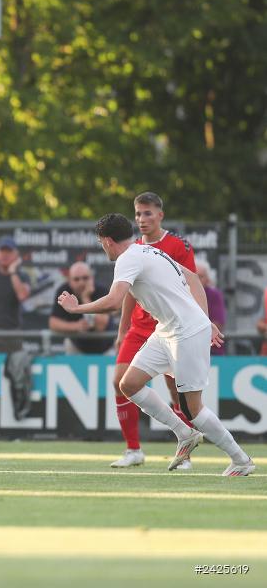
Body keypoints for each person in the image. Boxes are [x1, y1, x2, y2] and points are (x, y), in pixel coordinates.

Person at [59, 213, 254, 476]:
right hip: (167, 330)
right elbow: (193, 278)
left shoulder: (128, 257)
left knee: (193, 408)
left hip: (186, 332)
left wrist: (76, 308)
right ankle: (184, 433)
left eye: (100, 242)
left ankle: (241, 460)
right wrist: (207, 320)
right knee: (128, 384)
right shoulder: (149, 251)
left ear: (107, 241)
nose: (102, 247)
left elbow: (115, 301)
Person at [111, 192, 196, 469]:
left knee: (176, 389)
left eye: (147, 213)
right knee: (119, 381)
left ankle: (184, 453)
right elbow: (129, 294)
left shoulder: (178, 246)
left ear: (160, 214)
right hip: (139, 327)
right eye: (138, 214)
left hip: (170, 326)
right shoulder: (133, 249)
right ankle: (133, 450)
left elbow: (191, 285)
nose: (142, 219)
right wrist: (123, 330)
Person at [48, 262, 114, 354]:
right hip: (77, 345)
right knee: (68, 343)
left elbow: (101, 325)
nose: (81, 282)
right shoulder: (64, 292)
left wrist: (85, 298)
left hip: (105, 347)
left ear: (92, 278)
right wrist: (76, 326)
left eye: (85, 278)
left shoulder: (101, 290)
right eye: (76, 279)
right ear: (69, 281)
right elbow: (53, 323)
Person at [195, 257, 226, 356]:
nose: (197, 280)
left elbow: (218, 324)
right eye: (195, 276)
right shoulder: (182, 294)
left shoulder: (214, 295)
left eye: (201, 276)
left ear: (208, 279)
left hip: (211, 350)